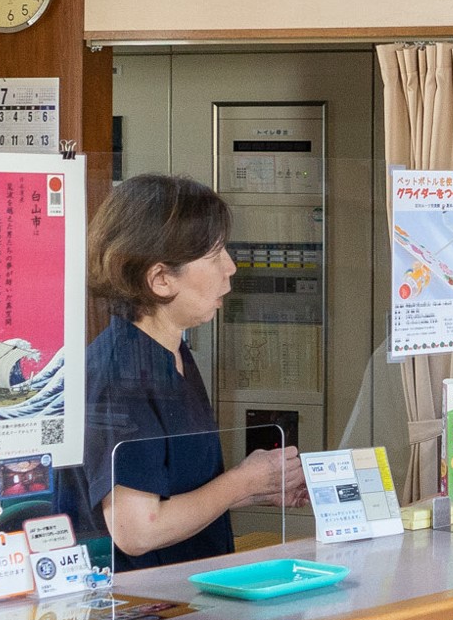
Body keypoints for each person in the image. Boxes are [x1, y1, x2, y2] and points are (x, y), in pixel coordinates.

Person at [81, 172, 303, 568]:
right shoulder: (120, 374)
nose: (231, 267)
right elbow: (138, 530)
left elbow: (180, 492)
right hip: (142, 613)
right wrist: (242, 481)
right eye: (215, 255)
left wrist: (260, 486)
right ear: (161, 278)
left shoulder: (172, 351)